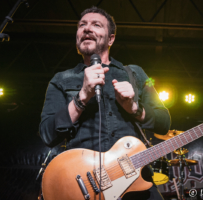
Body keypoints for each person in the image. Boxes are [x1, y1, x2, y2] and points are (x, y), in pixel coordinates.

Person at [39, 6, 170, 200]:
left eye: (96, 25)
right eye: (82, 25)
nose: (87, 29)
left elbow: (164, 122)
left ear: (111, 39)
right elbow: (47, 134)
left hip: (133, 182)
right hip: (84, 185)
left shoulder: (135, 74)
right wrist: (82, 97)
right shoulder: (61, 79)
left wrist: (134, 108)